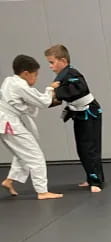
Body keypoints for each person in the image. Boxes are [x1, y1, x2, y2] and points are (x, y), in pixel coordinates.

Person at [0, 55, 63, 200]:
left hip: (7, 121)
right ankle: (42, 191)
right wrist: (50, 89)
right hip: (9, 123)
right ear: (26, 73)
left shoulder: (9, 81)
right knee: (36, 156)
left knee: (22, 153)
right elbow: (41, 102)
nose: (35, 79)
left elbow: (25, 104)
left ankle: (9, 181)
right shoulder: (19, 85)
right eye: (35, 75)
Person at [45, 44, 104, 192]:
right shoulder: (62, 76)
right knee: (82, 148)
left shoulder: (72, 73)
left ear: (63, 60)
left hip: (90, 113)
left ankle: (97, 181)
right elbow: (61, 96)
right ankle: (90, 177)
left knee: (90, 148)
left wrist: (55, 90)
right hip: (79, 114)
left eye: (52, 62)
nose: (50, 66)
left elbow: (78, 89)